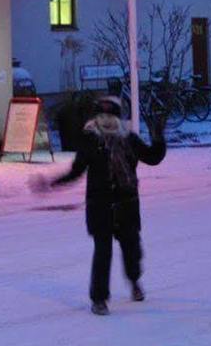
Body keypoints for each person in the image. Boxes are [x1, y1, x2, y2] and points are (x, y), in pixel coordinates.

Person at [33, 93, 167, 314]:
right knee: (103, 252)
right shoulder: (90, 140)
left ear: (118, 118)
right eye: (101, 115)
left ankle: (134, 282)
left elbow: (152, 158)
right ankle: (99, 299)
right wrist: (51, 183)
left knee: (131, 248)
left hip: (126, 202)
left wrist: (159, 139)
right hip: (100, 204)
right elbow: (76, 171)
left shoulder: (129, 139)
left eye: (110, 115)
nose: (105, 119)